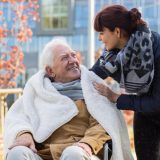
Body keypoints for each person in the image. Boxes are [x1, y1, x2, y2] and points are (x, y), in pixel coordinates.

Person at [4, 39, 133, 160]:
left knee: (73, 154)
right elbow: (18, 117)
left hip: (82, 151)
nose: (73, 60)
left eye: (73, 55)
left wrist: (87, 144)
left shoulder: (93, 89)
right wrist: (24, 133)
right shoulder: (37, 91)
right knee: (17, 153)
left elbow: (103, 124)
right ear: (50, 71)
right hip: (43, 154)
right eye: (65, 58)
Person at [91, 4, 160, 160]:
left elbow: (157, 102)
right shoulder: (112, 55)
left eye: (102, 33)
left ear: (117, 32)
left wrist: (116, 98)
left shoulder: (156, 48)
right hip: (145, 113)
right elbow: (91, 76)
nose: (99, 38)